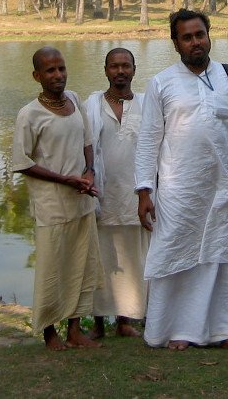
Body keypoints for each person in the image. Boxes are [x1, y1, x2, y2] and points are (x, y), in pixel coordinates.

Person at [134, 9, 228, 353]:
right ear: (175, 43)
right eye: (187, 37)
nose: (196, 42)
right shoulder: (162, 83)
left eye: (200, 35)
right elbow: (148, 141)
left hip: (226, 187)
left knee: (227, 256)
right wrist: (144, 190)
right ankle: (178, 329)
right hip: (179, 190)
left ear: (209, 35)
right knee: (177, 254)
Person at [12, 46, 103, 351]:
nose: (58, 75)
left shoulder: (75, 99)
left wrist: (89, 171)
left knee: (82, 265)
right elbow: (22, 162)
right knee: (52, 269)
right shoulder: (29, 114)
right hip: (51, 204)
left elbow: (87, 141)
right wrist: (65, 180)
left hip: (82, 199)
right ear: (36, 76)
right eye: (50, 70)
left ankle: (75, 330)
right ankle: (50, 333)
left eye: (61, 68)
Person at [84, 48, 148, 339]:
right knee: (100, 260)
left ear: (134, 69)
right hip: (101, 196)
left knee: (132, 260)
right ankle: (98, 323)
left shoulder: (147, 105)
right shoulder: (91, 105)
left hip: (136, 197)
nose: (120, 71)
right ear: (105, 70)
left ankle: (125, 320)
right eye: (114, 66)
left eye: (126, 66)